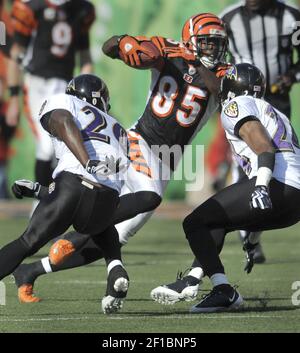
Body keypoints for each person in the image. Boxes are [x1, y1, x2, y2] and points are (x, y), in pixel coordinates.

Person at [9, 13, 230, 303]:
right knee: (144, 196)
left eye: (216, 44)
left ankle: (32, 270)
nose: (213, 49)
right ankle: (74, 232)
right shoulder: (169, 51)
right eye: (207, 43)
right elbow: (110, 47)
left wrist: (196, 60)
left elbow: (220, 91)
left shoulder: (222, 73)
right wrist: (126, 44)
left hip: (168, 158)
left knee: (120, 233)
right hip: (138, 140)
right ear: (192, 40)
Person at [0, 74, 130, 314]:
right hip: (105, 203)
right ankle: (115, 265)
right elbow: (105, 180)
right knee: (101, 227)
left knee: (28, 241)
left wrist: (87, 162)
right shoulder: (118, 129)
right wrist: (40, 190)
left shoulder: (66, 102)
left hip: (75, 182)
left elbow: (61, 120)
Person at [182, 63, 300, 312]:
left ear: (232, 87)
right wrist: (253, 240)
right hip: (294, 203)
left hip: (275, 184)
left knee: (194, 222)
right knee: (217, 221)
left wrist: (260, 187)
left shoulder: (235, 106)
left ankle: (223, 291)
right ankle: (194, 279)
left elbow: (264, 147)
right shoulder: (274, 112)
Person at [206, 0, 300, 268]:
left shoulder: (291, 16)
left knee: (277, 158)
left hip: (275, 100)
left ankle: (251, 223)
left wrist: (291, 76)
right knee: (246, 159)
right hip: (238, 95)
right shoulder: (229, 18)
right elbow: (216, 58)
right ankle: (249, 228)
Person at [6, 0, 95, 198]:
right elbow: (15, 54)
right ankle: (41, 203)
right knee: (47, 146)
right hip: (37, 84)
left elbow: (85, 57)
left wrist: (86, 96)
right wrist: (13, 97)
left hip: (65, 87)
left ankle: (59, 201)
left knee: (63, 148)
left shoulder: (81, 9)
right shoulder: (31, 7)